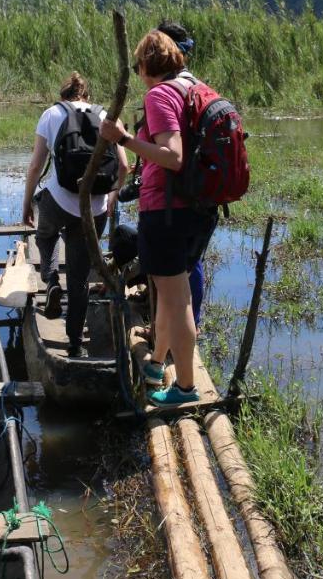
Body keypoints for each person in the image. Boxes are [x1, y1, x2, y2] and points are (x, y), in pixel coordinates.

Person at [99, 31, 218, 405]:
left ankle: (184, 387)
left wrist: (123, 140)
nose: (137, 73)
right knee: (167, 295)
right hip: (196, 208)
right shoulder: (192, 89)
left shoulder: (159, 94)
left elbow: (173, 155)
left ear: (148, 65)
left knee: (177, 299)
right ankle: (156, 361)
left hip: (168, 212)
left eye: (138, 66)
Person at [21, 72, 128, 358]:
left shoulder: (51, 114)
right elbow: (124, 167)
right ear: (86, 96)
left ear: (63, 94)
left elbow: (35, 166)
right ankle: (74, 345)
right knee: (80, 279)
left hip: (58, 200)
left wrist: (26, 205)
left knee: (45, 235)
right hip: (94, 208)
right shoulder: (106, 114)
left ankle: (51, 279)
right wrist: (111, 199)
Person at [156, 20, 206, 326]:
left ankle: (167, 342)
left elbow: (172, 155)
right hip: (203, 191)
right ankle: (193, 324)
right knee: (193, 262)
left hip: (173, 194)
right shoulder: (198, 86)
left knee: (169, 274)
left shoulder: (164, 92)